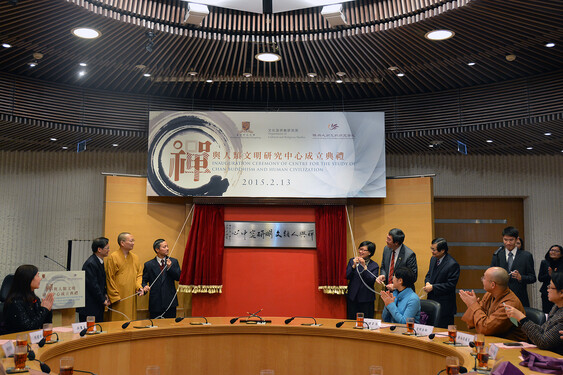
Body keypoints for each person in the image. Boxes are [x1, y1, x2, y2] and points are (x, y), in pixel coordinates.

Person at [460, 267, 527, 341]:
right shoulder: (489, 295)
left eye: (484, 278)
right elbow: (476, 321)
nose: (482, 280)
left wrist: (473, 305)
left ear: (493, 285)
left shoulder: (509, 304)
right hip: (493, 340)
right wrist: (472, 305)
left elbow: (485, 328)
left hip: (512, 345)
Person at [505, 272, 563, 355]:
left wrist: (522, 319)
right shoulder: (556, 307)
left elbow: (543, 342)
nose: (547, 289)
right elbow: (543, 331)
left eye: (550, 287)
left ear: (561, 293)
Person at [490, 226, 536, 307]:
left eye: (511, 240)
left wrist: (521, 277)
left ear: (517, 239)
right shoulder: (497, 255)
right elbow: (490, 276)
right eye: (505, 240)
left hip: (519, 298)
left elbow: (532, 278)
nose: (508, 243)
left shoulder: (526, 256)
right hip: (501, 297)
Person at [2, 265, 54, 334]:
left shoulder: (35, 299)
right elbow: (28, 328)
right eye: (37, 276)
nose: (40, 279)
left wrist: (48, 310)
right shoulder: (15, 303)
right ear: (28, 279)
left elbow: (44, 325)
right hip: (16, 341)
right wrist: (44, 309)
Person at [105, 232, 145, 321]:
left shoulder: (135, 257)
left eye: (133, 241)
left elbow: (139, 275)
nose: (133, 243)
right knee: (117, 321)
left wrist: (139, 287)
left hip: (130, 294)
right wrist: (114, 296)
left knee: (130, 319)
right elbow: (109, 278)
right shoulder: (113, 257)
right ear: (122, 243)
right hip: (119, 296)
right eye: (131, 241)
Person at [423, 238, 460, 328]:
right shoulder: (433, 259)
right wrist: (427, 283)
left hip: (445, 306)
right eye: (431, 248)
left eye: (434, 250)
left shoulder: (452, 264)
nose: (432, 251)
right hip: (432, 302)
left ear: (442, 250)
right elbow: (428, 275)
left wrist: (433, 287)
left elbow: (451, 285)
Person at [142, 239, 182, 319]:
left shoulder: (173, 261)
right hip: (155, 302)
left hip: (170, 301)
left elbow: (178, 277)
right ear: (157, 249)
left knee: (170, 326)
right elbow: (143, 280)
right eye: (164, 247)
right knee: (156, 328)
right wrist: (144, 286)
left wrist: (169, 268)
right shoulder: (149, 264)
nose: (167, 248)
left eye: (167, 246)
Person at [77, 237, 110, 323]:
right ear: (99, 249)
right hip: (90, 306)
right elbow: (93, 285)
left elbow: (101, 281)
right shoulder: (91, 263)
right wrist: (102, 299)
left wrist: (105, 294)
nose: (109, 250)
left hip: (97, 305)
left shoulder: (99, 261)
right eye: (107, 248)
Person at [346, 241, 379, 320]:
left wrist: (364, 266)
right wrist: (353, 266)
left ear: (370, 252)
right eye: (360, 249)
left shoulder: (374, 265)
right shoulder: (352, 261)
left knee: (366, 322)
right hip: (352, 298)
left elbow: (371, 280)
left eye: (364, 250)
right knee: (351, 322)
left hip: (366, 299)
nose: (361, 252)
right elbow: (347, 276)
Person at [538, 245, 563, 313]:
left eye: (557, 251)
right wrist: (550, 275)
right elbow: (540, 278)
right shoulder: (544, 262)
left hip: (559, 292)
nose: (553, 252)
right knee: (547, 313)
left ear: (561, 254)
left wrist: (554, 275)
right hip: (546, 292)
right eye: (552, 250)